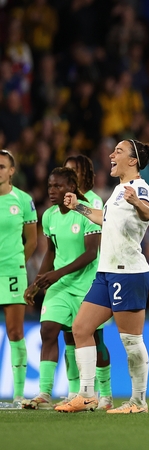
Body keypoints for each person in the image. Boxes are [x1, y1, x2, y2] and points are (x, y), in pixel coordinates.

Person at [55, 139, 149, 414]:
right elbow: (106, 219)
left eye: (119, 152)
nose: (111, 155)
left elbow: (147, 211)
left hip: (129, 273)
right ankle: (87, 394)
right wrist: (79, 206)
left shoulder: (139, 188)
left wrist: (137, 202)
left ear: (133, 161)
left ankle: (138, 402)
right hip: (106, 272)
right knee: (80, 328)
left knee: (131, 340)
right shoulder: (117, 191)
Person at [21, 168, 102, 410]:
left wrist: (57, 273)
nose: (52, 191)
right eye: (49, 186)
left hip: (86, 284)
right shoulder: (49, 216)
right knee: (48, 330)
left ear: (72, 187)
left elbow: (91, 254)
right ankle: (44, 393)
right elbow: (51, 253)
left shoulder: (84, 213)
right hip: (62, 286)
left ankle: (83, 391)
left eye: (58, 186)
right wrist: (36, 283)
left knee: (80, 338)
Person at [61, 154, 113, 409]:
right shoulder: (60, 205)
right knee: (70, 337)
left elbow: (92, 248)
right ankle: (77, 391)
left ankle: (106, 393)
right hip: (67, 283)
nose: (69, 176)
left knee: (96, 337)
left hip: (91, 278)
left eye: (73, 171)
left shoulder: (92, 200)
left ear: (84, 174)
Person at [0, 149, 37, 408]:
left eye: (2, 166)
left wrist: (17, 264)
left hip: (12, 272)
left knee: (15, 332)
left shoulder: (23, 200)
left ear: (11, 171)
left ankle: (18, 395)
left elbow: (32, 240)